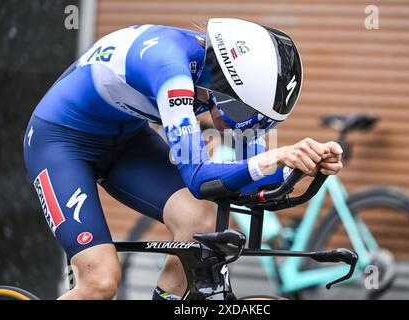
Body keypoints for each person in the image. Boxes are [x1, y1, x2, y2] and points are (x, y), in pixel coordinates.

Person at [23, 18, 343, 300]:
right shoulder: (170, 65)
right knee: (101, 282)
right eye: (243, 113)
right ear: (226, 85)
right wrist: (276, 157)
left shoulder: (216, 80)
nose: (237, 127)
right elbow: (200, 179)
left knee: (199, 224)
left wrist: (301, 164)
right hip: (59, 143)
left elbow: (256, 174)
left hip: (126, 140)